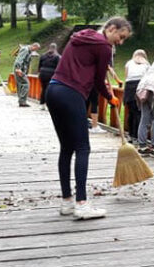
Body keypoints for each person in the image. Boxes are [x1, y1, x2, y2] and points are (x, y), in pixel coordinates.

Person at [46, 17, 130, 220]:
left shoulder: (79, 37)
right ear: (111, 28)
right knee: (83, 147)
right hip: (71, 93)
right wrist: (110, 98)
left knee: (67, 148)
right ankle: (82, 204)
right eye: (120, 36)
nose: (120, 42)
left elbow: (91, 73)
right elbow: (98, 80)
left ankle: (67, 202)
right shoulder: (103, 46)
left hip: (53, 90)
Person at [124, 49, 150, 140]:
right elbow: (148, 78)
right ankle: (139, 136)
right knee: (140, 112)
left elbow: (126, 76)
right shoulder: (146, 65)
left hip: (129, 87)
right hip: (141, 86)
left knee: (131, 112)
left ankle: (131, 135)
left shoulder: (129, 63)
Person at [14, 42, 39, 107]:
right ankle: (22, 101)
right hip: (19, 69)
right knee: (26, 84)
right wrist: (18, 68)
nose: (35, 50)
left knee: (20, 85)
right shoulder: (25, 50)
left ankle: (21, 101)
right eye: (36, 49)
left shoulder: (28, 51)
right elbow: (19, 59)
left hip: (22, 70)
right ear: (34, 46)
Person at [37, 43, 61, 111]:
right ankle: (48, 105)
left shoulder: (43, 55)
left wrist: (39, 73)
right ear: (55, 48)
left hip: (42, 74)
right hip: (51, 75)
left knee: (43, 89)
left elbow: (39, 66)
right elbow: (59, 67)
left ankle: (42, 104)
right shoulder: (57, 56)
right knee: (49, 90)